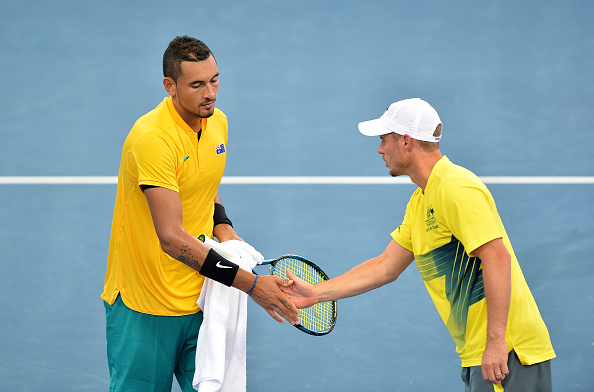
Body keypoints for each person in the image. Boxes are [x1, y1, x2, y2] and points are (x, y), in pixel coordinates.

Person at [282, 98, 556, 391]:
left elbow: (497, 257)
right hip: (481, 352)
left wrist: (496, 342)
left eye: (384, 140)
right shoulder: (422, 199)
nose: (380, 149)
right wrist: (315, 293)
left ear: (406, 141)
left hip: (509, 352)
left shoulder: (455, 188)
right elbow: (385, 266)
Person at [101, 36, 299, 391]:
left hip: (202, 297)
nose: (210, 93)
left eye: (215, 80)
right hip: (146, 306)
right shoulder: (153, 139)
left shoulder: (216, 123)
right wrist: (253, 285)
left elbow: (203, 181)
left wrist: (224, 226)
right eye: (197, 85)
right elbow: (172, 239)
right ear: (170, 86)